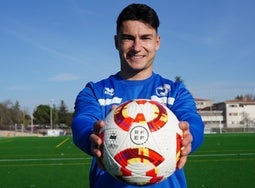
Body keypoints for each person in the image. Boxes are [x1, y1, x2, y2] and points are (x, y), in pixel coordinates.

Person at [72, 3, 204, 188]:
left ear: (157, 42)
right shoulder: (95, 91)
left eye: (145, 38)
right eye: (128, 38)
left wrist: (190, 136)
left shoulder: (175, 92)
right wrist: (92, 137)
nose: (137, 46)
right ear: (116, 41)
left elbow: (192, 120)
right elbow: (83, 121)